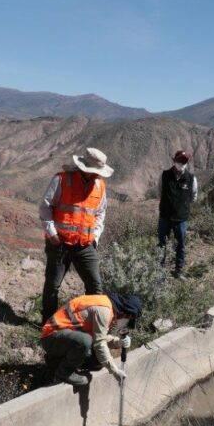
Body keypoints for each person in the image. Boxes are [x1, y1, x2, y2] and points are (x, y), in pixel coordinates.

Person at [38, 147, 110, 325]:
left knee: (95, 286)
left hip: (85, 245)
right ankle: (47, 325)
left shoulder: (100, 185)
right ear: (84, 168)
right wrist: (52, 233)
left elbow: (100, 213)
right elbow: (44, 206)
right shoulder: (62, 179)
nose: (96, 175)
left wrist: (96, 236)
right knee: (53, 287)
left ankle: (92, 325)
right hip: (59, 243)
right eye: (93, 172)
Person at [40, 292, 141, 387]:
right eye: (128, 321)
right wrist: (114, 370)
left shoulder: (108, 308)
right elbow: (99, 343)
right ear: (126, 314)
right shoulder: (104, 310)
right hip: (51, 337)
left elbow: (100, 336)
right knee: (85, 341)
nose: (126, 325)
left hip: (64, 338)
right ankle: (64, 373)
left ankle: (55, 361)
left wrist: (118, 342)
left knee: (97, 362)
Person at [158, 149, 198, 278]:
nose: (181, 163)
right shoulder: (164, 175)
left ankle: (178, 271)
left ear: (187, 163)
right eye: (179, 160)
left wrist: (182, 206)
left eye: (184, 161)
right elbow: (160, 192)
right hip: (165, 217)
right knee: (162, 244)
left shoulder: (191, 179)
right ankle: (159, 271)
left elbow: (193, 196)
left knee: (181, 245)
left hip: (181, 219)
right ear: (174, 160)